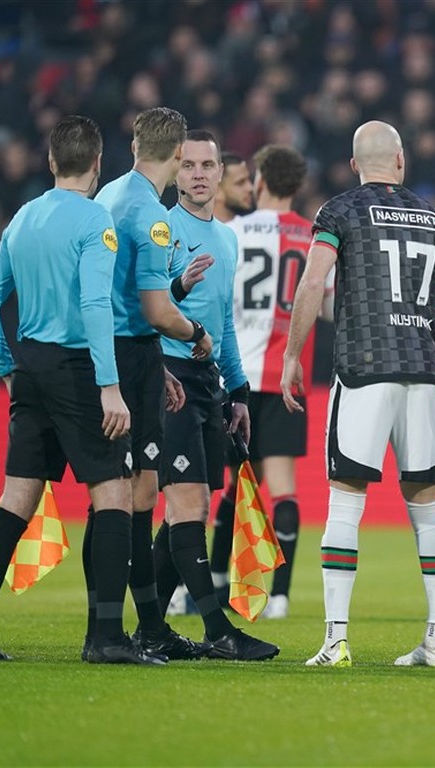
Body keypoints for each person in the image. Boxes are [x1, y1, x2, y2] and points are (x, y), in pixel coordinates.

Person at [0, 115, 155, 664]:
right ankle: (108, 638)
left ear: (50, 162)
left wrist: (7, 369)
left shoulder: (22, 218)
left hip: (31, 368)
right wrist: (110, 386)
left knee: (15, 500)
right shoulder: (95, 221)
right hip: (78, 369)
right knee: (112, 492)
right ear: (97, 164)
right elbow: (95, 305)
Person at [282, 121, 435, 668]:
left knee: (345, 500)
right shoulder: (433, 217)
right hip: (422, 372)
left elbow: (313, 283)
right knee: (428, 509)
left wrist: (292, 356)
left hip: (363, 369)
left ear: (356, 165)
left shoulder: (341, 210)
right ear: (401, 161)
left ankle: (336, 642)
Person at [146, 129, 279, 661]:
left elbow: (223, 319)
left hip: (207, 383)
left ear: (221, 173)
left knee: (185, 511)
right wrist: (177, 290)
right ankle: (216, 629)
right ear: (176, 172)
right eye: (190, 165)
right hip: (169, 377)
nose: (199, 174)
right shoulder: (160, 230)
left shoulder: (226, 238)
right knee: (190, 503)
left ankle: (150, 629)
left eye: (208, 165)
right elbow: (140, 310)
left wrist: (239, 391)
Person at [92, 106, 214, 661]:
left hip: (106, 352)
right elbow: (155, 312)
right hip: (132, 357)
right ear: (177, 150)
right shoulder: (151, 214)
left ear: (136, 143)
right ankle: (127, 631)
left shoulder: (108, 197)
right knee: (137, 496)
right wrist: (197, 335)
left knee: (108, 495)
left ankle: (119, 626)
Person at [208, 144, 314, 620]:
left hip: (235, 377)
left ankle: (210, 584)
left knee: (233, 485)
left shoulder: (232, 232)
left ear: (262, 182)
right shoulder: (315, 237)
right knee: (284, 488)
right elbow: (324, 305)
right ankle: (283, 594)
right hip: (287, 379)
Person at [213, 151, 255, 223]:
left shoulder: (254, 227)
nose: (250, 188)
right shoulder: (194, 231)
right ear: (217, 191)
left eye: (249, 180)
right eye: (240, 183)